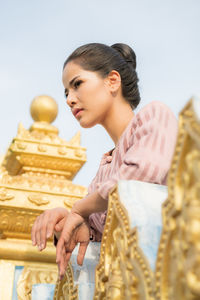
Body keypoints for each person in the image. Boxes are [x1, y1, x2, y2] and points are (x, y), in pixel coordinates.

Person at [31, 43, 178, 279]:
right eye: (66, 92)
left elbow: (138, 180)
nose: (70, 99)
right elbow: (100, 240)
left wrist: (80, 209)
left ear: (112, 81)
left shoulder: (155, 117)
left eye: (77, 84)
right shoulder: (104, 170)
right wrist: (66, 223)